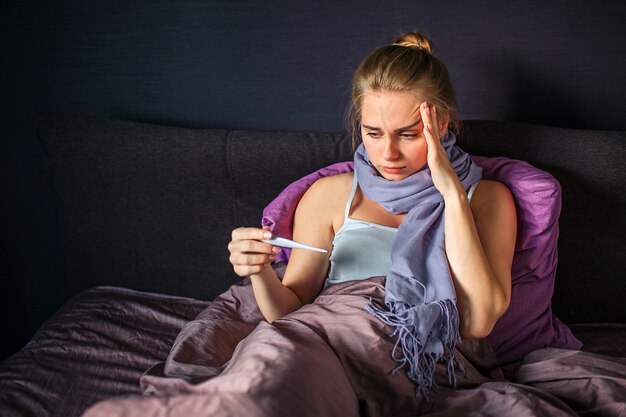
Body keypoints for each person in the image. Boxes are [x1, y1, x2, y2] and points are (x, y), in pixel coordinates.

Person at [227, 30, 517, 397]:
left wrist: (452, 194)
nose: (388, 154)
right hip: (323, 346)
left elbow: (479, 321)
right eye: (373, 133)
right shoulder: (329, 196)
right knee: (268, 379)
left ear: (440, 125)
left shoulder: (486, 199)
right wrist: (260, 271)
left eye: (408, 135)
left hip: (415, 362)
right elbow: (287, 314)